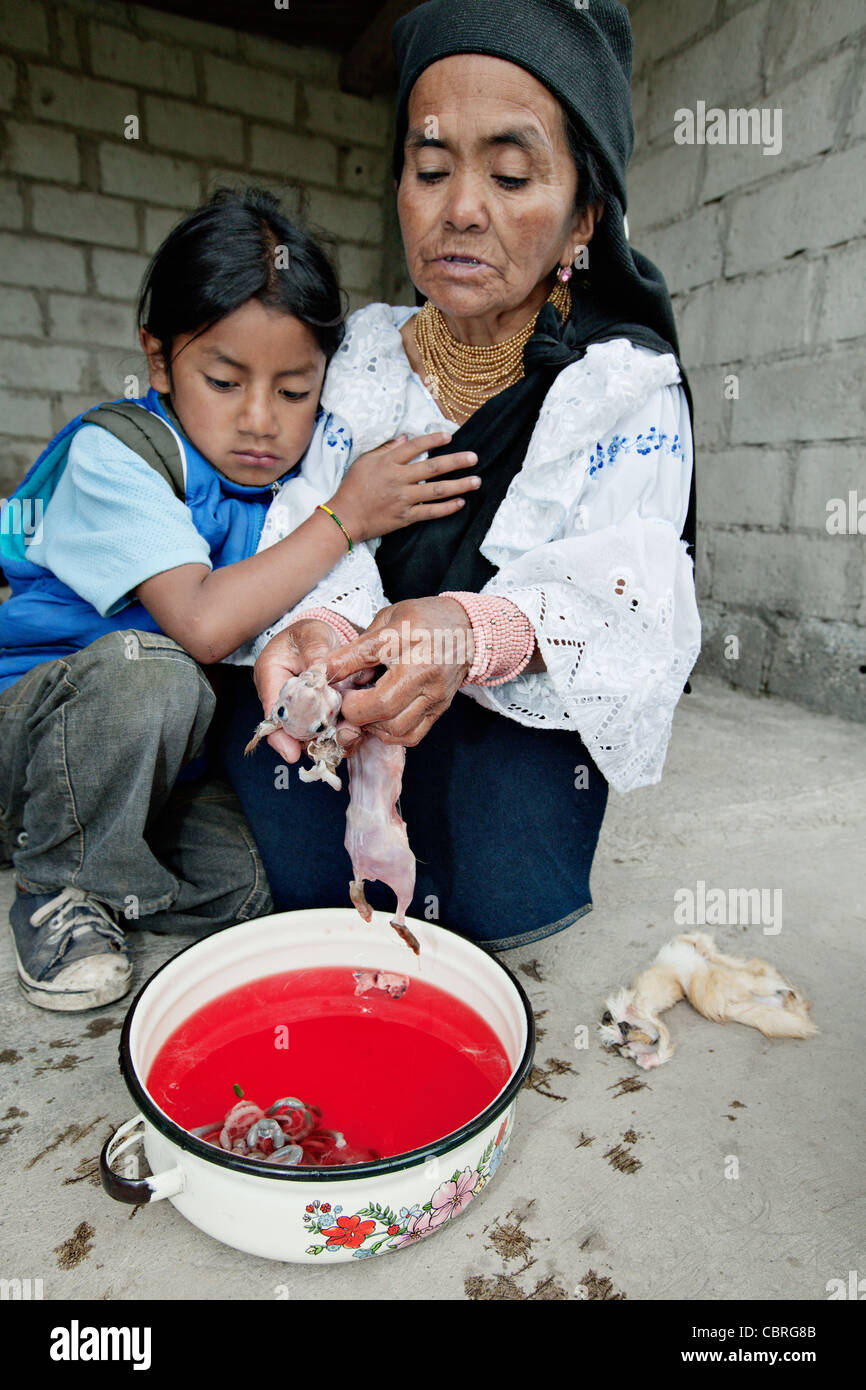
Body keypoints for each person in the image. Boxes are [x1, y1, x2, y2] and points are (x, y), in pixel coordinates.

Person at [215, 0, 702, 951]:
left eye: (513, 174)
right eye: (430, 169)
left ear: (582, 222)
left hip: (501, 714)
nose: (461, 209)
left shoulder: (621, 387)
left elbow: (637, 589)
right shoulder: (361, 352)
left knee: (492, 904)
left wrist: (471, 631)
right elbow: (312, 510)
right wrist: (322, 629)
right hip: (358, 694)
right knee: (298, 863)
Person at [0, 186, 480, 1010]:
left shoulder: (281, 488)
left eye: (295, 393)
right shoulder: (116, 453)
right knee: (152, 668)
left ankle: (96, 859)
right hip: (33, 735)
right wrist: (344, 515)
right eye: (224, 381)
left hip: (154, 774)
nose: (260, 421)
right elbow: (205, 624)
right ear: (159, 361)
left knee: (274, 883)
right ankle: (59, 883)